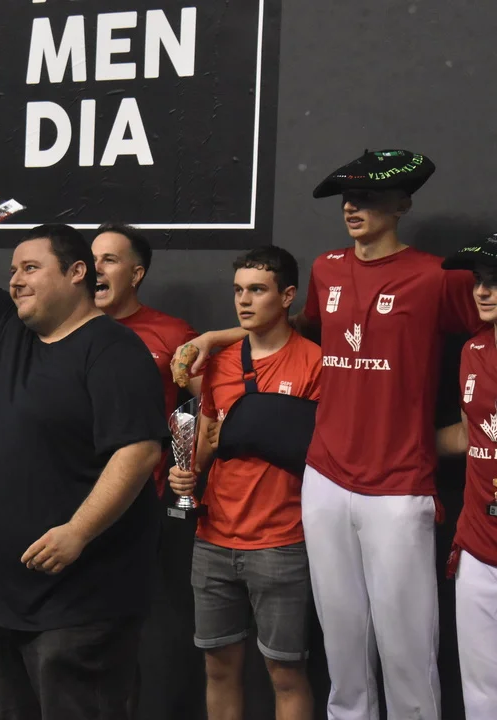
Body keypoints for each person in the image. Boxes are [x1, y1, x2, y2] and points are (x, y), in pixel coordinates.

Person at [171, 148, 483, 720]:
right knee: (342, 651)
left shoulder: (438, 276)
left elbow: (487, 326)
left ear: (403, 204)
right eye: (347, 197)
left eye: (368, 197)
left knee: (406, 651)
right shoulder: (328, 269)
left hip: (398, 486)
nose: (352, 207)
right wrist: (217, 337)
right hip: (325, 480)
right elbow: (296, 330)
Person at [0, 156, 167, 720]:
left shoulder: (114, 351)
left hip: (82, 598)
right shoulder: (2, 327)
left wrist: (77, 532)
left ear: (76, 273)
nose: (14, 278)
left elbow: (138, 451)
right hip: (11, 592)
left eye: (31, 267)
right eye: (13, 268)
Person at [168, 246, 321, 720]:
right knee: (217, 669)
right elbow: (206, 438)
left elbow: (321, 452)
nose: (244, 300)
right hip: (212, 539)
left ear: (287, 296)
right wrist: (186, 472)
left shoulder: (315, 362)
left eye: (257, 290)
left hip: (281, 541)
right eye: (238, 290)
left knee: (286, 673)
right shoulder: (221, 363)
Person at [434, 235, 497, 720]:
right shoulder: (474, 349)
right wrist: (401, 447)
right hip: (477, 542)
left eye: (495, 281)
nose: (482, 291)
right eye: (478, 280)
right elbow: (468, 432)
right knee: (480, 694)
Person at [91, 223, 201, 497]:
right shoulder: (66, 329)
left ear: (136, 274)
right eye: (92, 259)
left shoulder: (173, 334)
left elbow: (215, 402)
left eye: (109, 260)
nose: (96, 268)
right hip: (72, 490)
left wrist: (195, 462)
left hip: (141, 492)